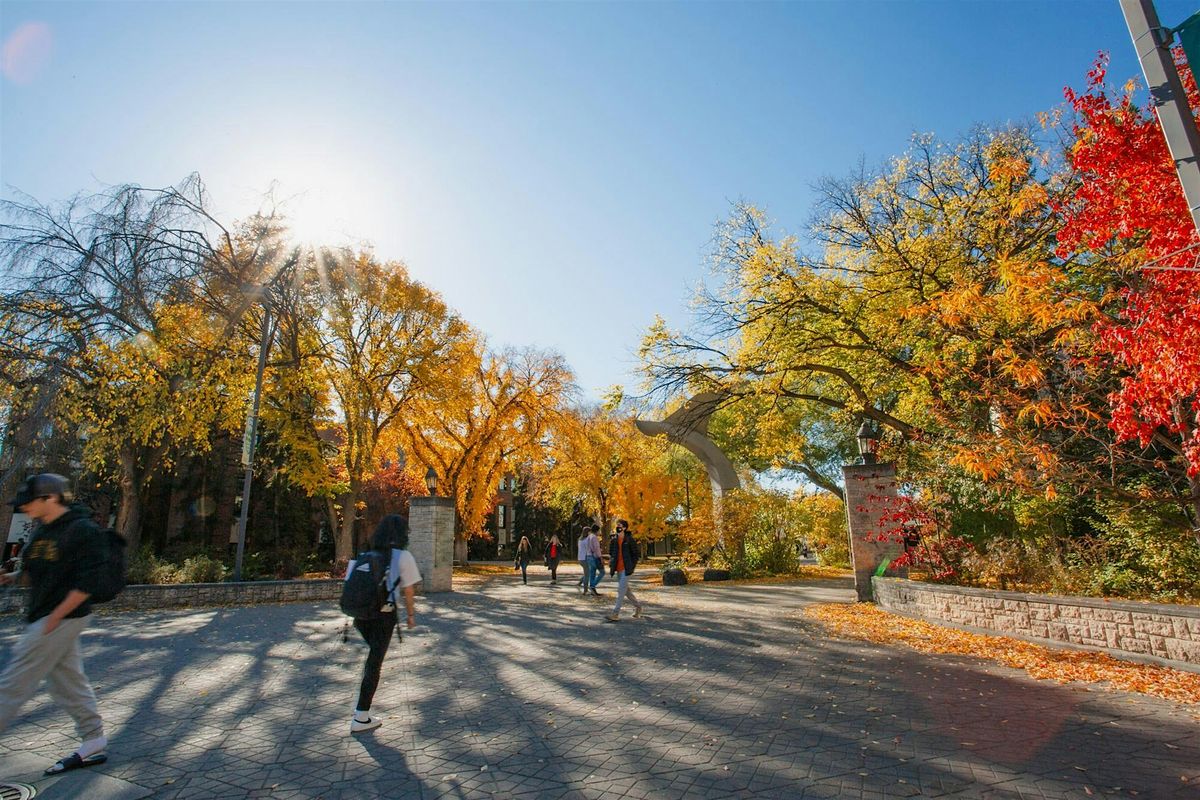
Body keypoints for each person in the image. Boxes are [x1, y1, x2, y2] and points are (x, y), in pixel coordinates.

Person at [0, 474, 108, 775]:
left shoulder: (81, 530)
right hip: (46, 616)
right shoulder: (42, 531)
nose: (24, 508)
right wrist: (12, 577)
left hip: (58, 618)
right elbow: (35, 569)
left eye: (29, 502)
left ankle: (94, 738)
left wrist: (58, 616)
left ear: (51, 498)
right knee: (67, 683)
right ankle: (94, 741)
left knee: (12, 683)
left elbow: (90, 578)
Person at [344, 514, 421, 735]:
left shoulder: (366, 554)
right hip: (383, 615)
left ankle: (362, 712)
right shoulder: (402, 557)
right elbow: (408, 589)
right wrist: (410, 615)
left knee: (373, 659)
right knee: (374, 662)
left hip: (360, 615)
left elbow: (350, 582)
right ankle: (361, 716)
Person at [605, 519, 644, 622]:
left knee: (621, 590)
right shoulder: (614, 540)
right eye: (617, 525)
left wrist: (632, 566)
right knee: (626, 591)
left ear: (625, 528)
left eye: (620, 525)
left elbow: (635, 555)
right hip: (618, 569)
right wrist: (611, 562)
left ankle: (615, 614)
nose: (618, 526)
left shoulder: (629, 540)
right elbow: (612, 553)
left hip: (626, 569)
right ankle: (638, 607)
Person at [585, 524, 604, 595]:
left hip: (588, 556)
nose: (599, 532)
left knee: (592, 573)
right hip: (594, 557)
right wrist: (601, 557)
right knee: (602, 572)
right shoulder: (594, 538)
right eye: (599, 531)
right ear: (597, 530)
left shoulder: (588, 537)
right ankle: (592, 586)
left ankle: (593, 590)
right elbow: (596, 549)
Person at [575, 524, 591, 593]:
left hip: (580, 558)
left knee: (587, 572)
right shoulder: (587, 540)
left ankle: (580, 583)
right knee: (587, 574)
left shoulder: (580, 539)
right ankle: (585, 590)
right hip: (585, 558)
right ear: (588, 532)